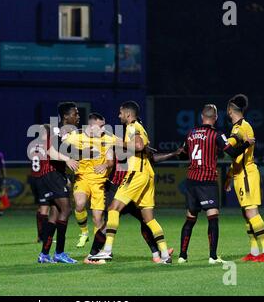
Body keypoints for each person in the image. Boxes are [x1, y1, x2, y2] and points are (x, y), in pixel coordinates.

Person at [90, 101, 172, 264]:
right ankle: (164, 255)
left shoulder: (132, 127)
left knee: (113, 208)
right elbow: (145, 148)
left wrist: (118, 142)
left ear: (128, 114)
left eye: (121, 113)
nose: (119, 116)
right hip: (147, 174)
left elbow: (139, 146)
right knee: (148, 219)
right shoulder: (140, 127)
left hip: (136, 173)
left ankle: (107, 250)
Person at [177, 104, 255, 264]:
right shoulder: (216, 134)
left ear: (201, 117)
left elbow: (181, 155)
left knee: (190, 219)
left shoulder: (190, 134)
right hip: (207, 182)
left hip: (191, 182)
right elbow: (232, 152)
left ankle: (182, 256)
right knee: (212, 219)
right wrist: (247, 143)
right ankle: (212, 256)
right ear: (216, 118)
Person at [85, 144, 180, 264]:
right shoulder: (120, 145)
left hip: (132, 189)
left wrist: (173, 154)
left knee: (146, 220)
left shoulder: (137, 150)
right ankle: (92, 254)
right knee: (107, 225)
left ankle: (157, 254)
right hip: (115, 189)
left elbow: (152, 158)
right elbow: (110, 161)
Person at [224, 94, 264, 262]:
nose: (227, 112)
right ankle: (254, 251)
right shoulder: (238, 127)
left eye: (227, 109)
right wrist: (230, 176)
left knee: (251, 212)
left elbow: (229, 149)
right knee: (246, 214)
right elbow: (237, 157)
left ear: (231, 110)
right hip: (240, 174)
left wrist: (221, 142)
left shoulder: (241, 127)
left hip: (246, 175)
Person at [62, 112, 116, 248]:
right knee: (79, 204)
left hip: (99, 182)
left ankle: (97, 250)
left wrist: (105, 164)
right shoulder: (76, 137)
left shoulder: (109, 139)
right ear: (91, 127)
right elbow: (58, 145)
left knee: (98, 219)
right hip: (82, 179)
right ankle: (84, 233)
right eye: (101, 126)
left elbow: (113, 159)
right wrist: (67, 158)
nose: (104, 129)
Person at [37, 102, 79, 263]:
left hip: (51, 174)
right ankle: (60, 253)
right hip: (51, 174)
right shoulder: (58, 131)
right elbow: (51, 152)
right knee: (66, 209)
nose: (78, 116)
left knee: (54, 213)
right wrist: (67, 159)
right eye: (75, 114)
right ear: (66, 117)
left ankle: (44, 254)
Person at [28, 124, 58, 243]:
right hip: (42, 178)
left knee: (41, 208)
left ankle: (41, 236)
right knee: (46, 209)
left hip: (34, 179)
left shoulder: (33, 144)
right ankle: (44, 237)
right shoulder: (47, 144)